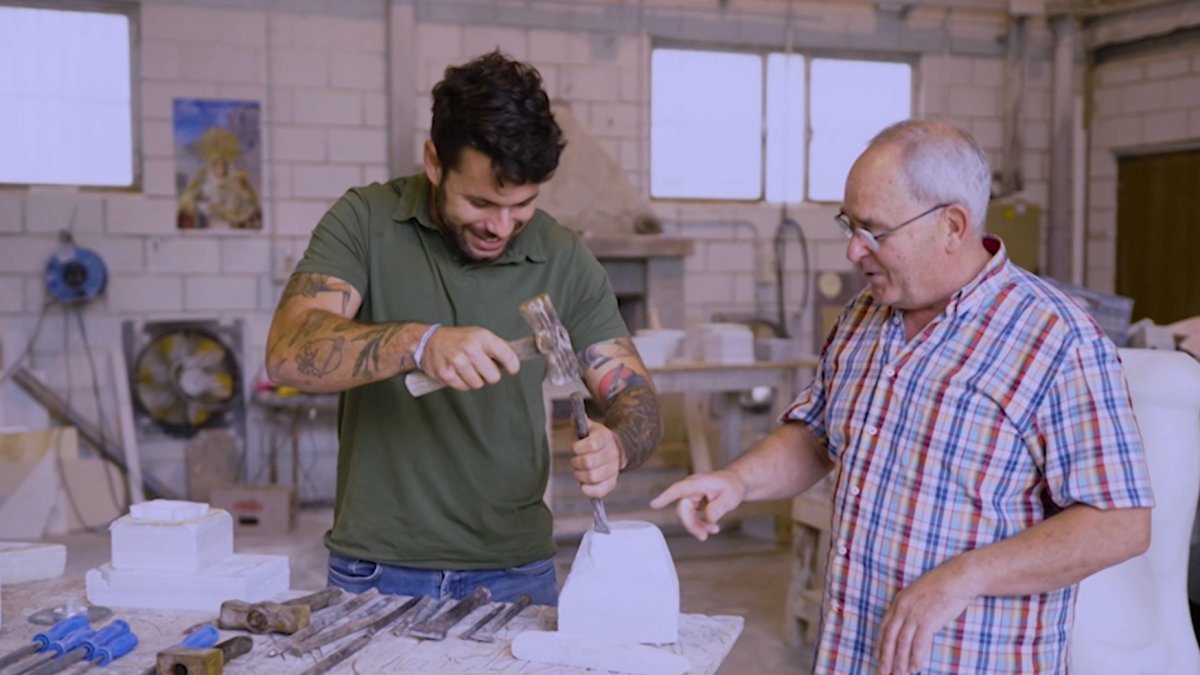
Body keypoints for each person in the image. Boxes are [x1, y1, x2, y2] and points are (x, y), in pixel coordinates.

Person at [651, 120, 1153, 674]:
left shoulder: (1055, 341)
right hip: (851, 655)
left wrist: (964, 577)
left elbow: (1119, 523)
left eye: (874, 230)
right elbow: (818, 434)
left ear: (952, 225)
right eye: (849, 224)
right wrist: (738, 480)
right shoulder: (865, 315)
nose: (852, 250)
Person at [266, 50, 662, 607]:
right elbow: (286, 353)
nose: (501, 226)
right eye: (480, 202)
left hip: (516, 571)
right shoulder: (366, 220)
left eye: (521, 205)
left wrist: (617, 444)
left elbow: (635, 396)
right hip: (377, 568)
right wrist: (418, 343)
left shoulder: (563, 256)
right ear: (434, 161)